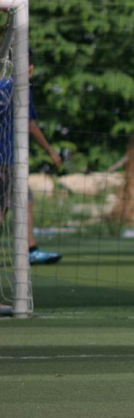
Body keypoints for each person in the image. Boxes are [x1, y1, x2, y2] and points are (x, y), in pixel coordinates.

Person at [0, 55, 63, 265]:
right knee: (20, 202)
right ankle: (30, 250)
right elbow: (30, 125)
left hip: (6, 158)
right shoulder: (21, 90)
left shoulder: (2, 86)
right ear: (30, 68)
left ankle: (30, 249)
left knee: (12, 204)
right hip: (8, 158)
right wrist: (51, 151)